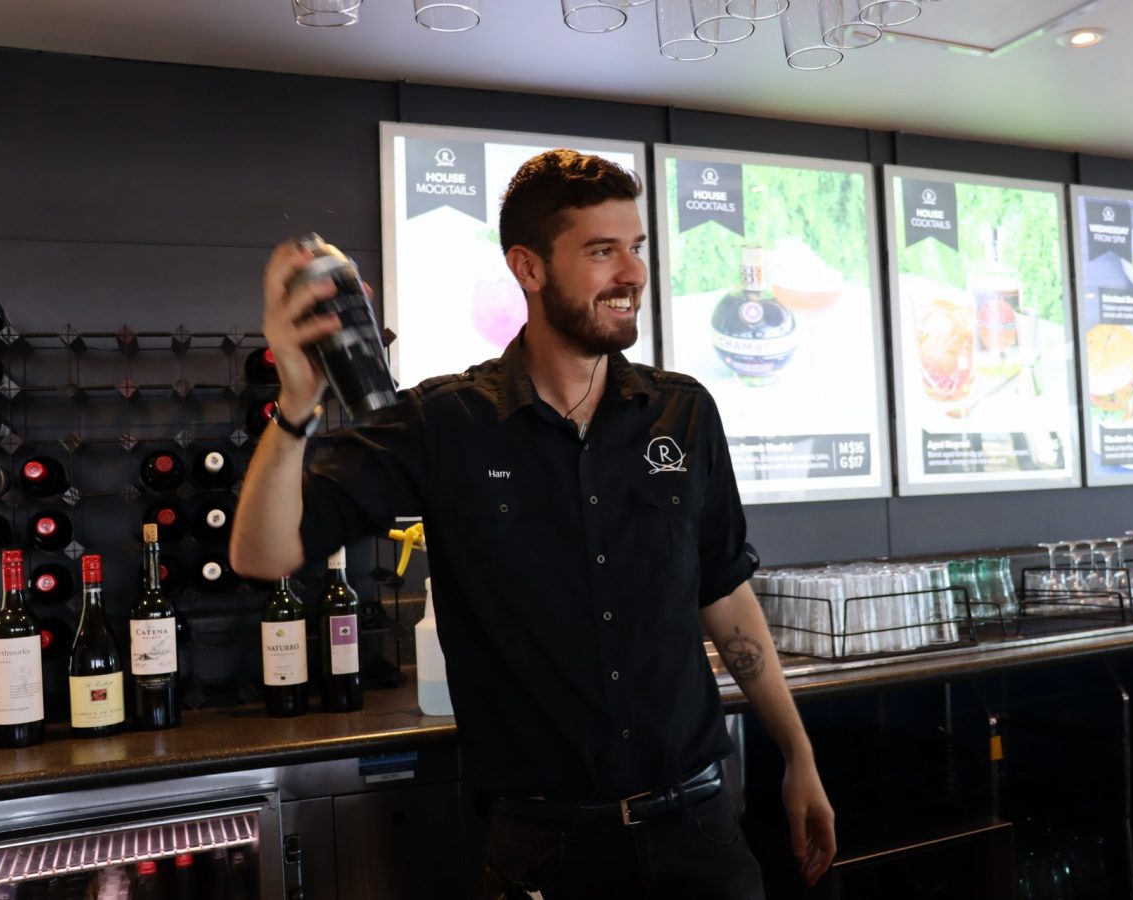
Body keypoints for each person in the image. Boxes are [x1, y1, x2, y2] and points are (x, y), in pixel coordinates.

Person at [230, 149, 836, 899]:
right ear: (529, 267)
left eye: (637, 248)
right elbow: (262, 551)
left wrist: (798, 753)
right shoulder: (444, 422)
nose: (634, 273)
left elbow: (723, 591)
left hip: (700, 829)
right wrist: (297, 402)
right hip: (541, 852)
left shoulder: (683, 411)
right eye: (602, 251)